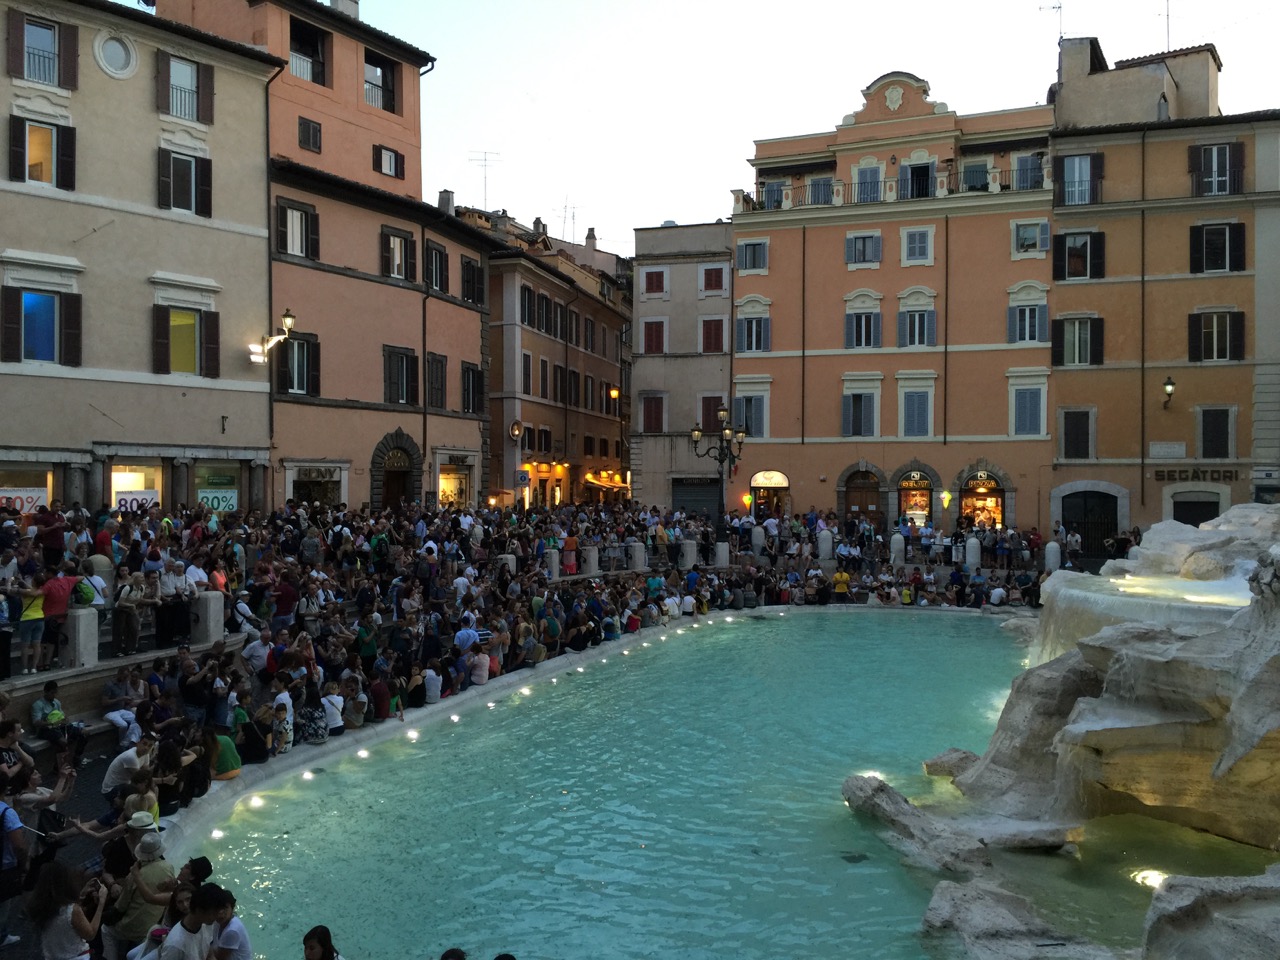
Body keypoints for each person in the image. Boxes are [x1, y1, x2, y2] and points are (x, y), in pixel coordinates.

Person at [103, 831, 174, 960]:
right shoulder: (169, 868)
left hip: (131, 926)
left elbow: (121, 906)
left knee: (106, 929)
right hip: (151, 927)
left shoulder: (135, 875)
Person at [27, 861, 105, 960]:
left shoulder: (40, 909)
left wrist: (81, 896)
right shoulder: (72, 910)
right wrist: (101, 903)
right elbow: (90, 934)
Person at [156, 882, 220, 960]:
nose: (185, 905)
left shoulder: (206, 924)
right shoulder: (175, 944)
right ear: (200, 910)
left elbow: (209, 955)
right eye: (213, 913)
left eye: (188, 899)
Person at [211, 886, 251, 960]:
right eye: (218, 908)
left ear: (232, 908)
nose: (221, 912)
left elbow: (219, 958)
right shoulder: (218, 922)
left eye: (225, 908)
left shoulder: (232, 931)